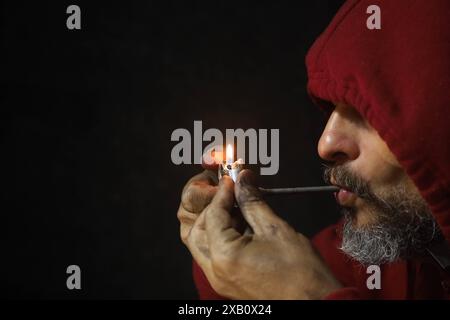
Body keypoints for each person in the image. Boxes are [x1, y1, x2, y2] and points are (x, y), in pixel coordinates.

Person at [176, 0, 450, 299]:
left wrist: (307, 294)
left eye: (368, 110)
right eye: (333, 107)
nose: (326, 144)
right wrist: (232, 265)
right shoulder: (386, 250)